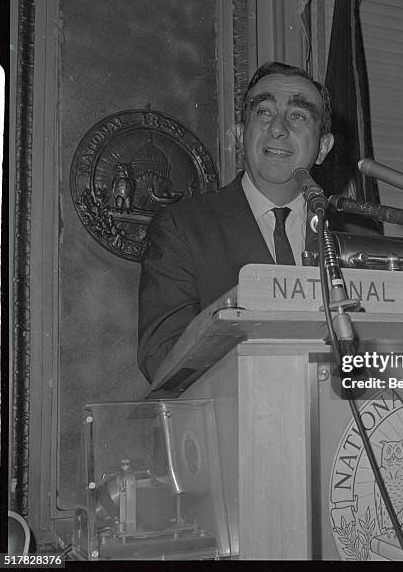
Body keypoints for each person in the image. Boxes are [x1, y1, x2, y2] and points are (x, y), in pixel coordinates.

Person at [137, 62, 335, 382]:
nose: (278, 128)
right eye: (264, 112)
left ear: (323, 147)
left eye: (298, 115)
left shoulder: (353, 238)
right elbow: (162, 358)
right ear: (240, 134)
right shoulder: (182, 228)